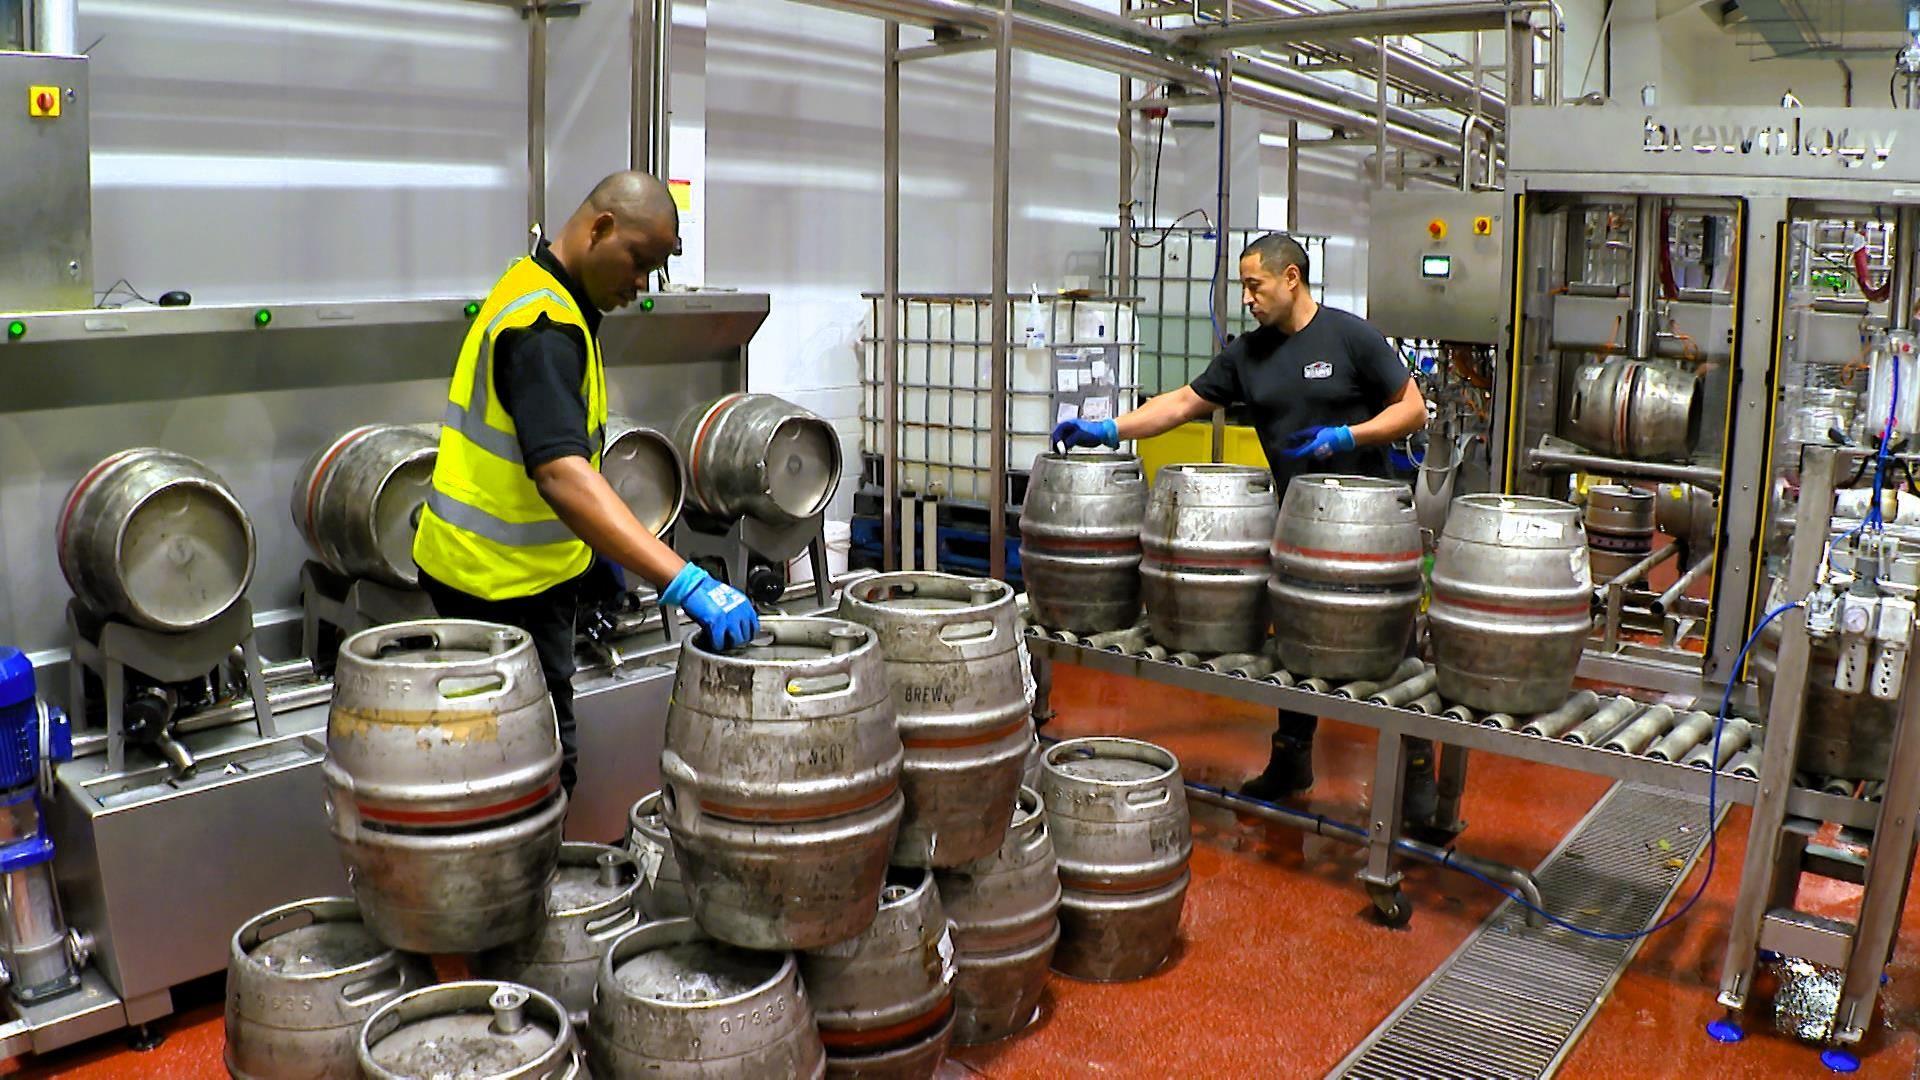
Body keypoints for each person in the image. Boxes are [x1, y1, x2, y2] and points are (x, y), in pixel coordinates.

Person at [1051, 233, 1437, 821]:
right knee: (1299, 636)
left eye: (1254, 285)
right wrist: (1109, 429)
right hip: (1299, 517)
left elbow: (1413, 409)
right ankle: (1292, 759)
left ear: (1292, 279)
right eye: (1242, 286)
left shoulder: (1351, 335)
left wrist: (1348, 436)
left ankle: (1417, 781)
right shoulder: (1248, 355)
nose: (1247, 298)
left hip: (1372, 522)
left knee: (1394, 648)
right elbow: (1182, 402)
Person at [413, 170, 758, 794]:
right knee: (533, 775)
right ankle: (519, 890)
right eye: (636, 262)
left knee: (511, 765)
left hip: (499, 573)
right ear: (600, 228)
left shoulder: (543, 289)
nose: (638, 285)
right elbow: (560, 473)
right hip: (496, 588)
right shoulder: (545, 326)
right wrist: (683, 579)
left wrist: (596, 558)